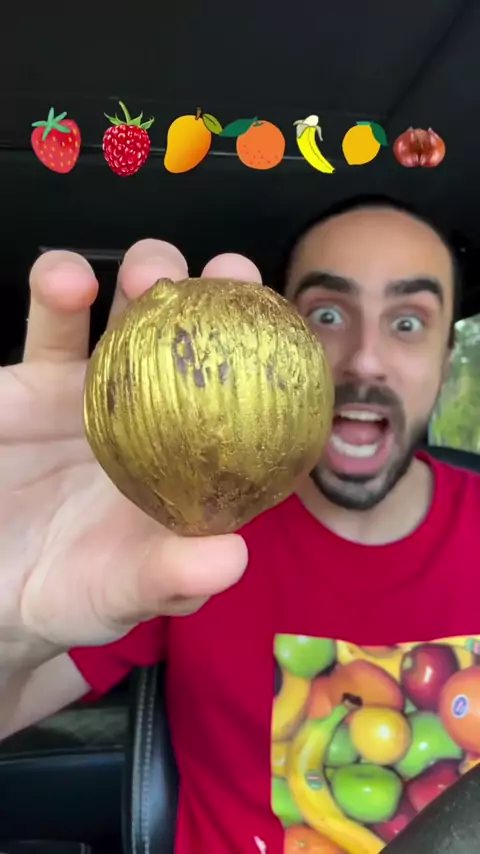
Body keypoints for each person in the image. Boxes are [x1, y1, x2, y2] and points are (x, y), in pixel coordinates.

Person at [1, 193, 479, 854]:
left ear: (446, 356)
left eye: (408, 322)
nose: (365, 360)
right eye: (328, 314)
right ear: (281, 340)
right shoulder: (177, 537)